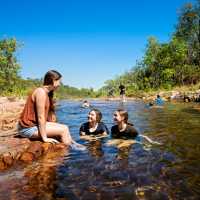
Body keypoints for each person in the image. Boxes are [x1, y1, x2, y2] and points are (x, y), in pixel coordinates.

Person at [18, 70, 83, 148]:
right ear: (53, 80)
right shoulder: (40, 92)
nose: (60, 84)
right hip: (27, 129)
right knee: (63, 130)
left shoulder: (47, 94)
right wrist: (44, 138)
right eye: (59, 81)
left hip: (34, 126)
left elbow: (47, 118)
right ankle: (70, 153)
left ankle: (73, 144)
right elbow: (40, 117)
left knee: (65, 127)